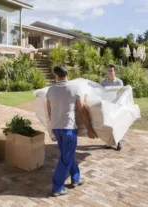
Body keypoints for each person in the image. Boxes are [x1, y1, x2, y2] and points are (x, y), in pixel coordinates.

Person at [46, 65, 98, 197]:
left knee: (67, 154)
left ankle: (75, 178)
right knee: (66, 158)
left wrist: (53, 125)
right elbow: (81, 110)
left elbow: (49, 110)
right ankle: (57, 187)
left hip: (56, 128)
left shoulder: (51, 90)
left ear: (56, 76)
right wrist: (90, 129)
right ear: (67, 74)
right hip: (68, 128)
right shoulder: (75, 88)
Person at [100, 64, 124, 150]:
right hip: (106, 106)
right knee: (108, 125)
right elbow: (100, 94)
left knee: (116, 124)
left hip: (116, 106)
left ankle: (118, 141)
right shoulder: (103, 83)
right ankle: (109, 142)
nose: (110, 72)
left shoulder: (119, 82)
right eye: (109, 70)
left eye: (112, 70)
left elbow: (121, 95)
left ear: (115, 71)